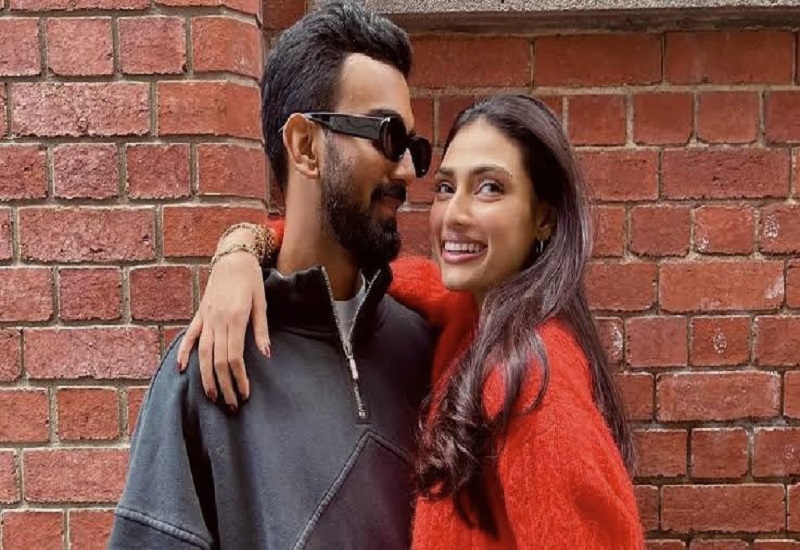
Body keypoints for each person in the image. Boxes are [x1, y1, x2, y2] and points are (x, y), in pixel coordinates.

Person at [180, 94, 645, 548]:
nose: (454, 215)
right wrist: (242, 249)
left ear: (544, 218)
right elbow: (358, 270)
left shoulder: (531, 376)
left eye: (489, 188)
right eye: (446, 187)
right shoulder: (472, 312)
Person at [109, 2, 435, 548]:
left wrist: (241, 244)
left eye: (413, 148)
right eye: (387, 136)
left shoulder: (427, 349)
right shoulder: (208, 367)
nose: (405, 169)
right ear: (305, 145)